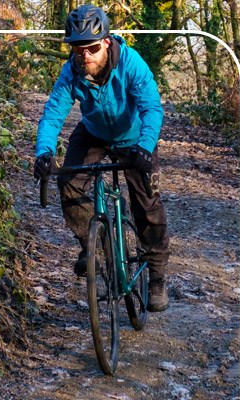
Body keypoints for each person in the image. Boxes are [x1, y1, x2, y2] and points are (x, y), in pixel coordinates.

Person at [33, 4, 170, 312]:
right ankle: (93, 249)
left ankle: (157, 276)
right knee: (68, 181)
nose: (85, 57)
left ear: (107, 42)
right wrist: (43, 152)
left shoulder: (131, 63)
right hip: (93, 131)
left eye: (92, 48)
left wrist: (146, 148)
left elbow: (152, 108)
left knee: (146, 203)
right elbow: (53, 113)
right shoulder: (72, 70)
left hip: (134, 137)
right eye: (78, 50)